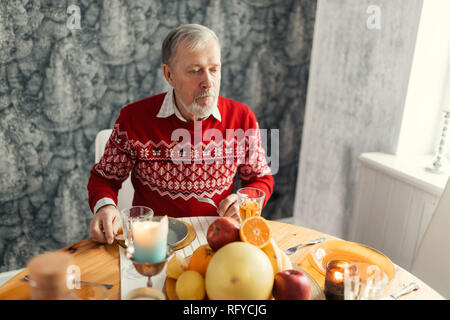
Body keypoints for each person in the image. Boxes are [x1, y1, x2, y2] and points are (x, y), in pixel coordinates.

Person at [87, 24, 274, 244]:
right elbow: (104, 178)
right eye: (195, 71)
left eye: (214, 69)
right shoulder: (133, 119)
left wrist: (244, 200)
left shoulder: (242, 118)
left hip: (218, 239)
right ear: (169, 74)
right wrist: (106, 206)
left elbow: (260, 178)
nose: (208, 82)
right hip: (153, 241)